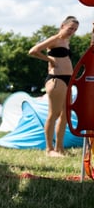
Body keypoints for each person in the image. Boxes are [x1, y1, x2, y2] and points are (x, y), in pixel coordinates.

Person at [27, 16, 79, 156]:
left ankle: (59, 148)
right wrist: (49, 59)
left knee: (65, 115)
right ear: (62, 25)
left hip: (67, 80)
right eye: (70, 28)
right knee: (54, 114)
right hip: (56, 80)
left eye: (74, 30)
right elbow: (33, 51)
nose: (72, 32)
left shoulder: (66, 42)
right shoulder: (54, 39)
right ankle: (49, 149)